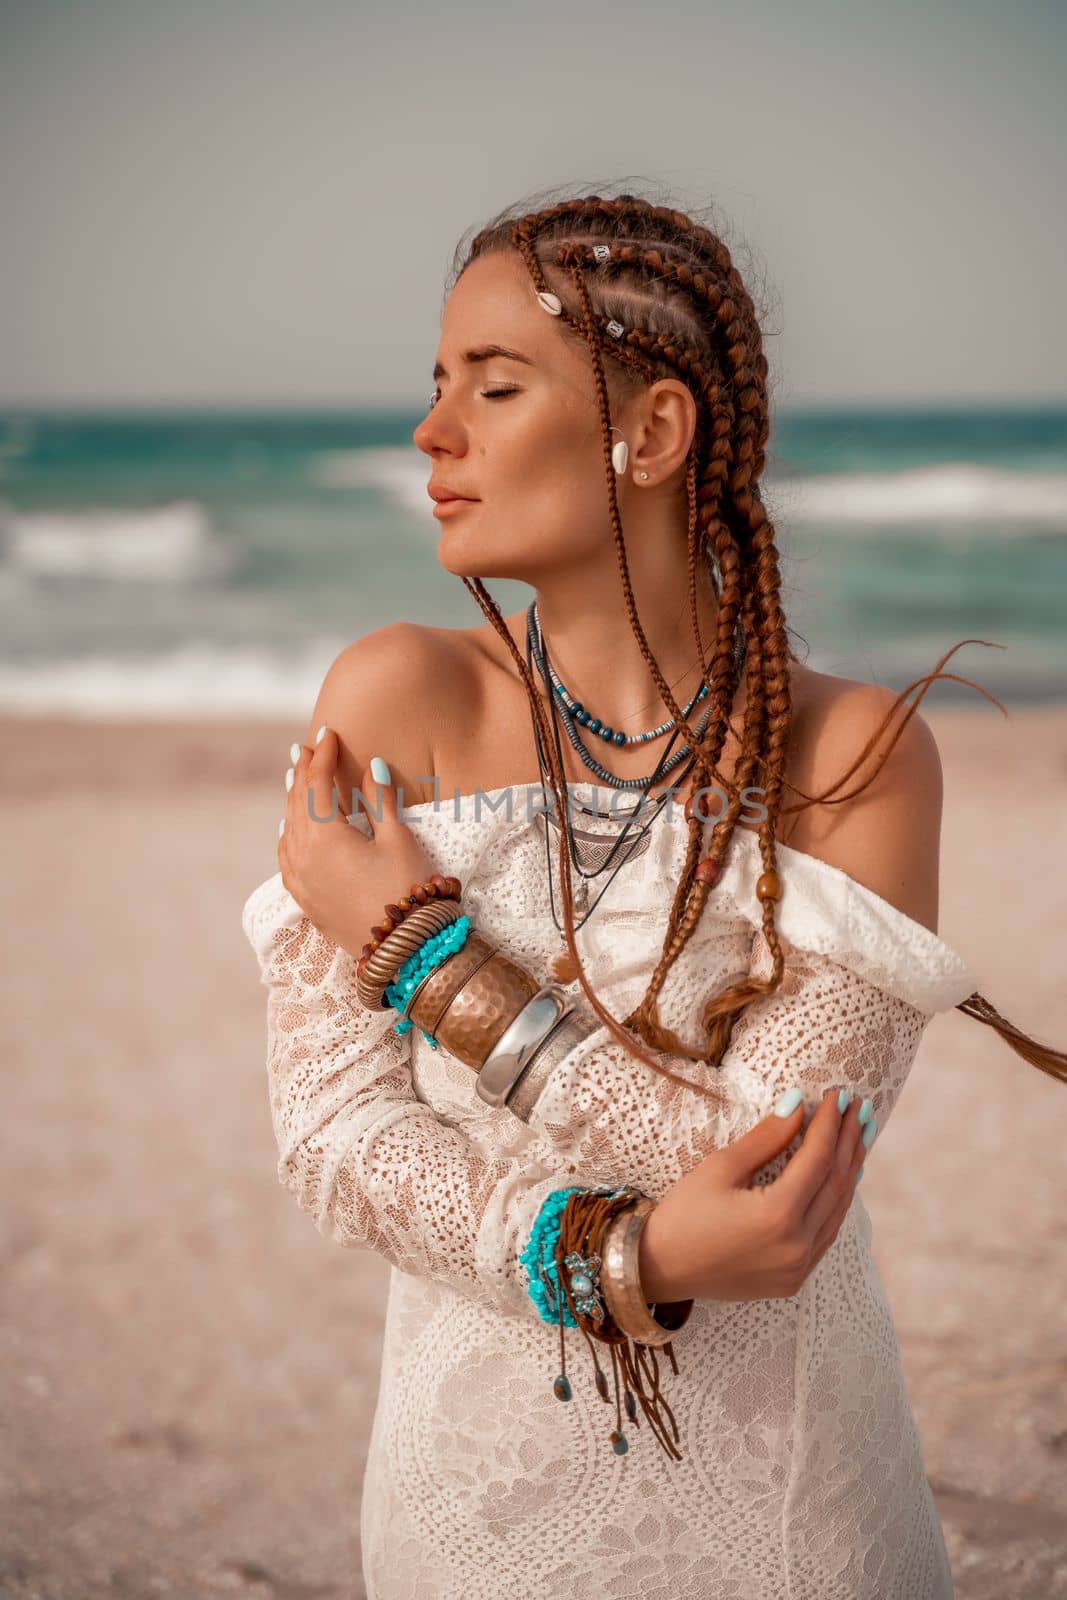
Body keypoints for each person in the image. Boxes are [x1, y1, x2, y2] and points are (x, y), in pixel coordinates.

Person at [241, 188, 1066, 1600]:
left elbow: (773, 1190)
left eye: (494, 388)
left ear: (654, 432)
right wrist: (609, 1254)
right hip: (468, 1508)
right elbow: (330, 1135)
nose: (432, 435)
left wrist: (431, 957)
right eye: (436, 386)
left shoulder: (853, 757)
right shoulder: (398, 700)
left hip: (796, 1515)